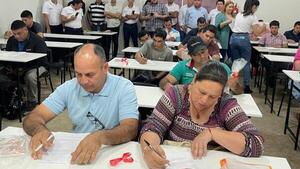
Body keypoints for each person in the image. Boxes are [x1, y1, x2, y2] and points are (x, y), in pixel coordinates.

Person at [22, 44, 139, 165]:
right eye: (78, 74)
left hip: (113, 153)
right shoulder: (70, 87)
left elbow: (130, 128)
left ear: (105, 68)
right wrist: (39, 130)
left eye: (90, 75)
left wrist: (100, 137)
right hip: (77, 154)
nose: (83, 81)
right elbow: (33, 118)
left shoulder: (123, 87)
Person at [140, 61, 264, 169]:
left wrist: (212, 133)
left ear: (221, 94)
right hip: (173, 163)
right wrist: (148, 150)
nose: (204, 100)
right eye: (201, 92)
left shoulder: (225, 105)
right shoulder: (176, 95)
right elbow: (153, 126)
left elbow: (256, 143)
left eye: (212, 96)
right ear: (193, 82)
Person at [160, 36, 243, 94]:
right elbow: (163, 82)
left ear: (207, 49)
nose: (202, 56)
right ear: (191, 55)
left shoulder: (222, 67)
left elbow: (239, 91)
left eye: (203, 51)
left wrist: (234, 86)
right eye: (197, 54)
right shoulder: (183, 66)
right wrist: (176, 91)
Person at [5, 20, 47, 110]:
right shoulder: (12, 40)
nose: (16, 36)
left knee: (30, 76)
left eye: (19, 33)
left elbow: (41, 60)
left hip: (37, 66)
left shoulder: (37, 40)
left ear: (25, 30)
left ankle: (32, 101)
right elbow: (8, 55)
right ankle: (9, 99)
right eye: (14, 34)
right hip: (18, 66)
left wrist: (23, 69)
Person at [230, 0, 260, 93]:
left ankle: (233, 85)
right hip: (243, 39)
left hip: (233, 38)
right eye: (255, 7)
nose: (256, 9)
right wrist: (263, 28)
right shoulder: (253, 17)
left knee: (236, 63)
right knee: (246, 63)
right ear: (251, 6)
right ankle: (246, 86)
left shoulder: (239, 14)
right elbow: (257, 32)